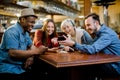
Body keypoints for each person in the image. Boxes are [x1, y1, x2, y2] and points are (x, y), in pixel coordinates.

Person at [59, 13, 120, 79]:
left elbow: (92, 49)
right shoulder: (98, 33)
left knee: (80, 69)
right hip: (106, 63)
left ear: (96, 23)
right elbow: (90, 46)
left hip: (115, 66)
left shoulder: (106, 34)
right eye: (86, 26)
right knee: (76, 69)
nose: (87, 28)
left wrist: (73, 44)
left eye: (88, 25)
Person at [0, 8, 48, 80]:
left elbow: (32, 46)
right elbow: (13, 53)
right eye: (31, 22)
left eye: (34, 22)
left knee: (45, 72)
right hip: (9, 69)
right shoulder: (11, 32)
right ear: (22, 20)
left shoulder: (25, 33)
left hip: (22, 67)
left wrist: (31, 57)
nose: (33, 25)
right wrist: (37, 52)